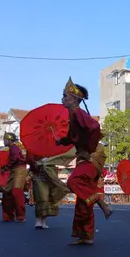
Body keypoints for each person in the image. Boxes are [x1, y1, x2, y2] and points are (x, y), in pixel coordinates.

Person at [57, 77, 104, 245]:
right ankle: (86, 235)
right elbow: (72, 137)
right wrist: (60, 141)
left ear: (74, 99)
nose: (62, 99)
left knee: (74, 181)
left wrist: (89, 149)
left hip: (91, 156)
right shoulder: (73, 116)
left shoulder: (78, 113)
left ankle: (100, 201)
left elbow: (95, 127)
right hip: (85, 155)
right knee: (83, 199)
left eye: (64, 96)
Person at [28, 151, 70, 230]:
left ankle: (44, 219)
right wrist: (36, 163)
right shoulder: (33, 147)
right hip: (39, 174)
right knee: (41, 197)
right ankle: (38, 220)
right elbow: (29, 159)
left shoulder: (53, 146)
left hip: (51, 174)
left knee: (50, 197)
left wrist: (49, 160)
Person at [1, 133, 28, 223]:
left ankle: (21, 216)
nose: (3, 141)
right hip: (13, 171)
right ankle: (8, 216)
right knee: (7, 192)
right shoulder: (11, 149)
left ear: (9, 140)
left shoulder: (14, 148)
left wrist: (6, 167)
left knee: (17, 192)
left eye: (4, 139)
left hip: (19, 170)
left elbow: (15, 159)